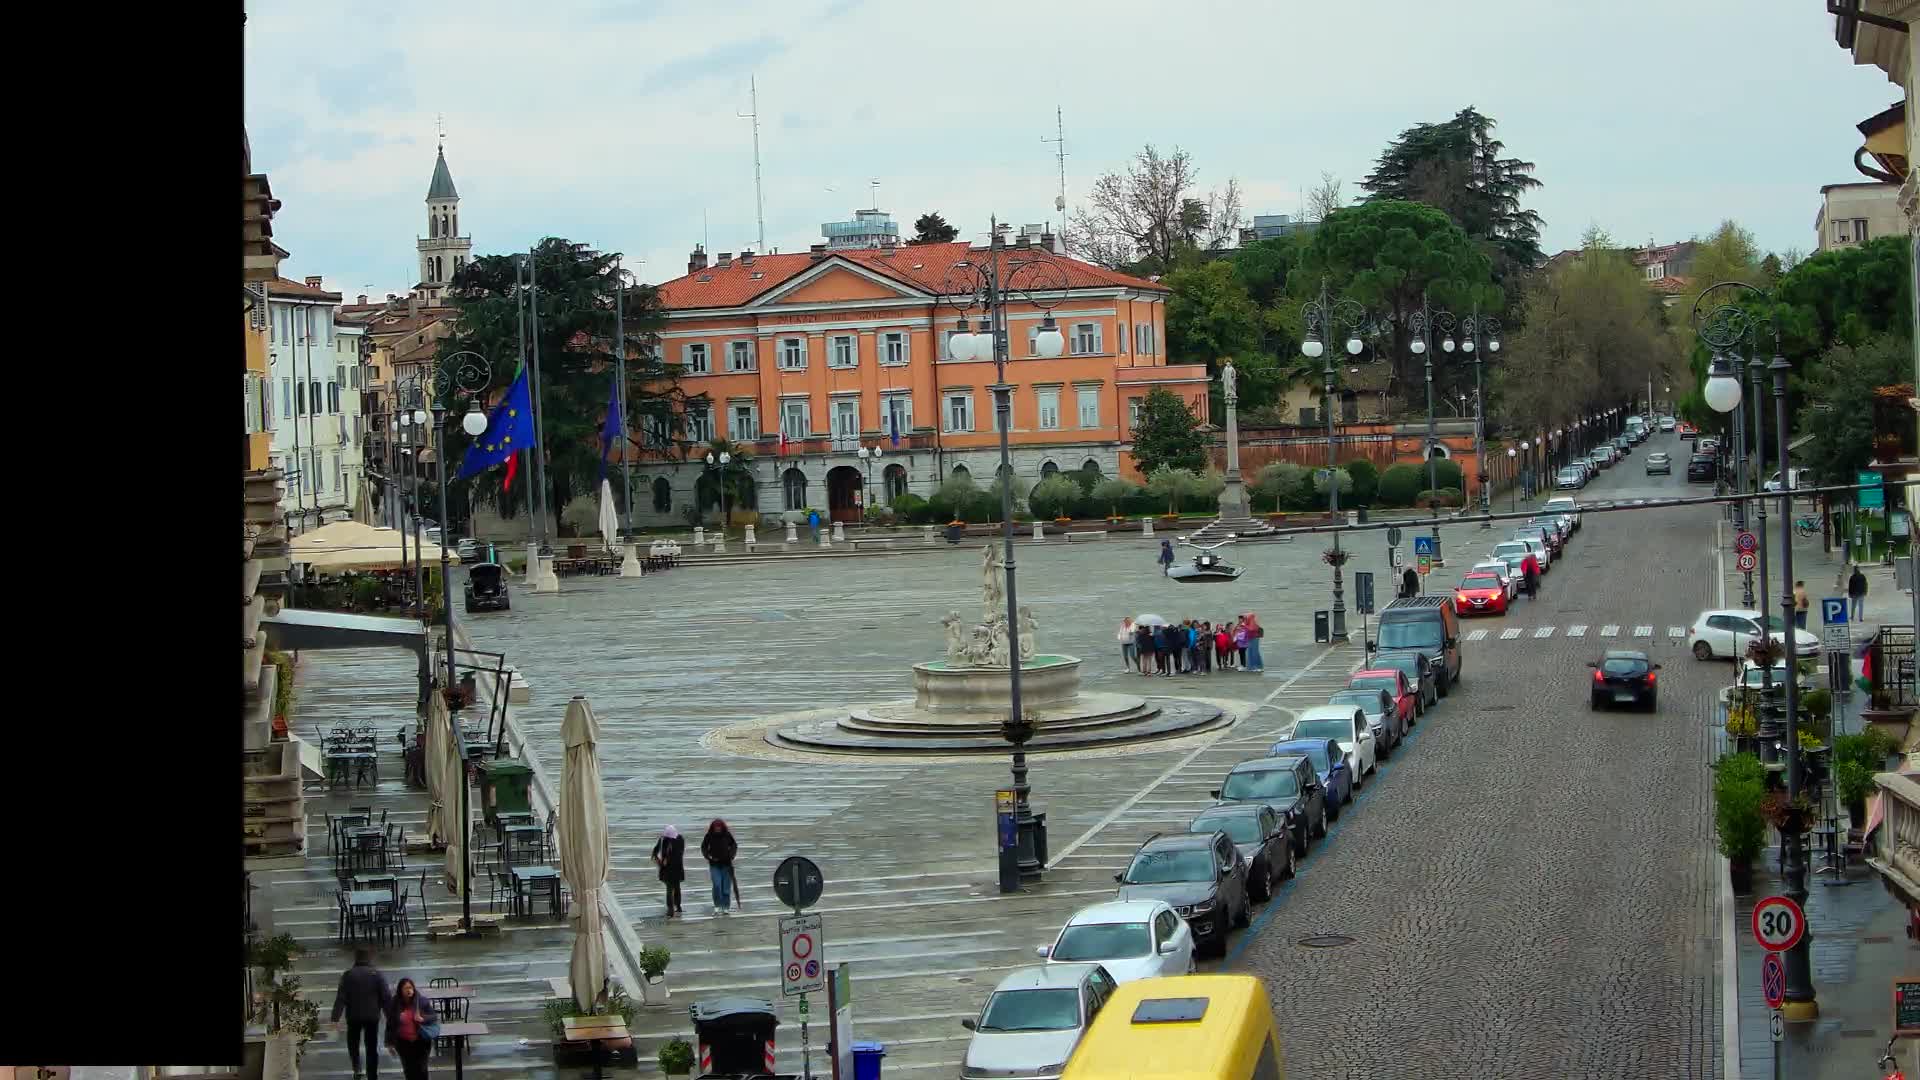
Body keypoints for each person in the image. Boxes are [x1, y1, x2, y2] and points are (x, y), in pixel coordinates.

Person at [332, 947, 391, 1080]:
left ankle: (357, 1067)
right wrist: (390, 1015)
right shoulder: (377, 975)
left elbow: (341, 997)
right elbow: (386, 997)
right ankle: (372, 1073)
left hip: (353, 1016)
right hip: (372, 1016)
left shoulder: (348, 975)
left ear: (356, 958)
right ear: (369, 958)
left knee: (353, 1043)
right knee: (371, 1045)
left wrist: (335, 1017)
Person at [384, 977, 439, 1080]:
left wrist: (422, 1018)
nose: (409, 990)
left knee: (422, 1069)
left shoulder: (421, 1001)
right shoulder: (395, 1003)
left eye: (410, 987)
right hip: (403, 1043)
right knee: (409, 1070)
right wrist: (389, 1043)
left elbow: (434, 1016)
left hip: (421, 1041)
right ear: (400, 990)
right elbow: (390, 1024)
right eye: (406, 988)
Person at [700, 819, 739, 916]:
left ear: (722, 827)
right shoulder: (709, 835)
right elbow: (704, 847)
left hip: (727, 865)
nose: (717, 828)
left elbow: (734, 845)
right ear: (713, 827)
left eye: (719, 826)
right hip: (714, 865)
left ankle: (726, 907)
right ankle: (717, 906)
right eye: (716, 827)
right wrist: (708, 856)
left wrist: (731, 855)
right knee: (717, 885)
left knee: (726, 888)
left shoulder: (727, 835)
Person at [651, 825, 686, 917]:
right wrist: (659, 860)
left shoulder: (679, 840)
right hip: (667, 869)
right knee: (670, 888)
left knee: (676, 887)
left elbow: (679, 853)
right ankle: (671, 908)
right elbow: (655, 851)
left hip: (675, 868)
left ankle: (677, 906)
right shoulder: (663, 840)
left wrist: (667, 859)